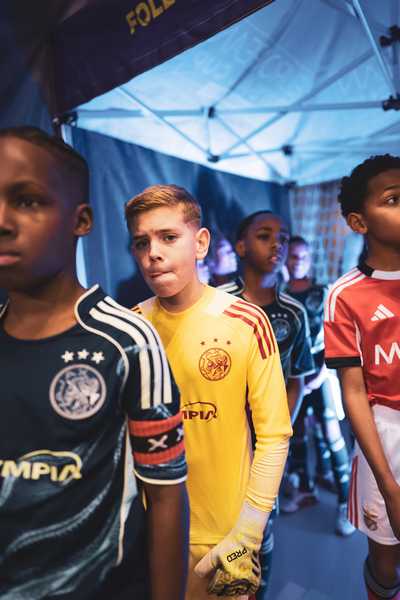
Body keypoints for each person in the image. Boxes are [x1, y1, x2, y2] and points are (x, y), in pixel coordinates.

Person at [0, 127, 189, 600]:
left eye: (27, 201)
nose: (2, 220)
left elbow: (166, 496)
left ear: (80, 220)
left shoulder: (127, 341)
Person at [125, 185, 292, 600]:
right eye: (142, 242)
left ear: (200, 243)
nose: (153, 253)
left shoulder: (246, 321)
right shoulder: (130, 328)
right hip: (149, 533)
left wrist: (248, 533)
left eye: (168, 237)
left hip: (224, 536)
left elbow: (274, 435)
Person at [220, 210, 315, 599]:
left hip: (265, 447)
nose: (277, 243)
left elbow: (296, 381)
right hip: (218, 441)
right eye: (264, 235)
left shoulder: (294, 313)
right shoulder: (217, 303)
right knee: (218, 526)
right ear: (241, 246)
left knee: (260, 527)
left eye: (283, 237)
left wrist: (275, 437)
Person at [324, 154, 400, 600]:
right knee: (386, 562)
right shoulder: (345, 294)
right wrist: (389, 487)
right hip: (384, 438)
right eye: (393, 199)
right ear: (359, 222)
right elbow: (353, 393)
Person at [284, 235, 354, 536]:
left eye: (303, 256)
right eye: (292, 256)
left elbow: (338, 336)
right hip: (293, 377)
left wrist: (321, 373)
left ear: (310, 260)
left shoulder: (323, 292)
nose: (298, 261)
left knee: (330, 431)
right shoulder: (279, 295)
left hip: (322, 373)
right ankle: (305, 490)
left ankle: (346, 502)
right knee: (297, 431)